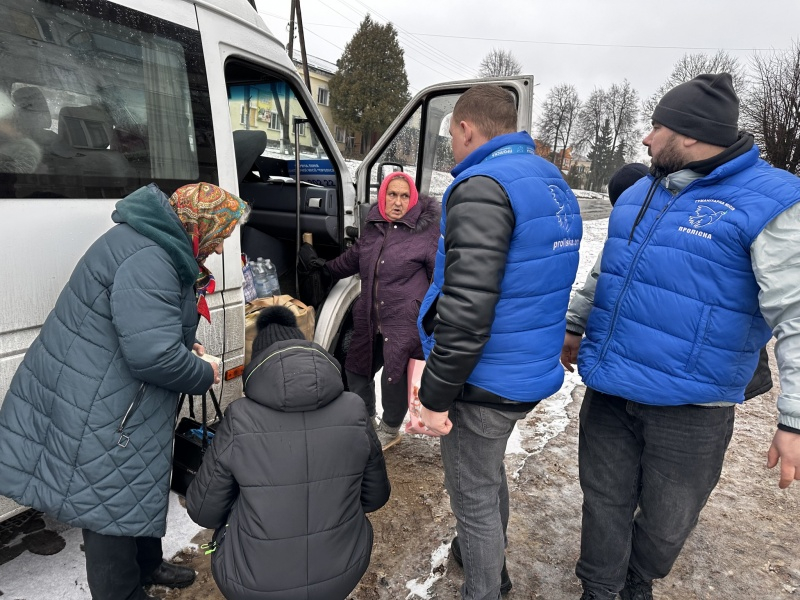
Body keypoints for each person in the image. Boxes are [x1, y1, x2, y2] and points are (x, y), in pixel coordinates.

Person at [575, 73, 800, 600]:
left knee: (666, 522)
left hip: (692, 405)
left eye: (657, 127)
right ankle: (602, 589)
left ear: (693, 136)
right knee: (602, 501)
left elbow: (796, 312)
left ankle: (639, 578)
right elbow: (609, 266)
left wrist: (793, 419)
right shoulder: (640, 190)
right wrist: (574, 323)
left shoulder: (771, 202)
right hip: (610, 390)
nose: (647, 140)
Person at [0, 182, 248, 600]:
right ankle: (123, 591)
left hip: (114, 396)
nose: (220, 248)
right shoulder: (151, 257)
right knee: (108, 504)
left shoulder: (156, 243)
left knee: (134, 485)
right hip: (100, 405)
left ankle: (147, 565)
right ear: (198, 224)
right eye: (219, 236)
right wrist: (202, 373)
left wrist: (184, 346)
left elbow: (148, 328)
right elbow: (153, 356)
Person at [415, 84, 582, 599]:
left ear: (466, 127)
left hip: (483, 377)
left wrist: (435, 396)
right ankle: (482, 555)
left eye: (452, 136)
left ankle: (487, 586)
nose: (452, 148)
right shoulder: (550, 180)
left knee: (473, 495)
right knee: (485, 476)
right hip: (524, 367)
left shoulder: (483, 186)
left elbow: (467, 310)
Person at [186, 306, 390, 600]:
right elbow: (375, 497)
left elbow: (203, 511)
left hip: (252, 583)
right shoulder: (355, 410)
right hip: (343, 570)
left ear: (259, 363)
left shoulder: (240, 418)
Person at [325, 171, 439, 449]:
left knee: (393, 376)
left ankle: (390, 428)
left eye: (404, 196)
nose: (397, 202)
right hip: (368, 316)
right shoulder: (374, 226)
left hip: (404, 320)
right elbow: (353, 259)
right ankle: (366, 419)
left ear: (412, 199)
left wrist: (432, 317)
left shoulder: (426, 233)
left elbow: (440, 278)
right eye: (392, 194)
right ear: (382, 196)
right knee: (356, 368)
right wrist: (322, 268)